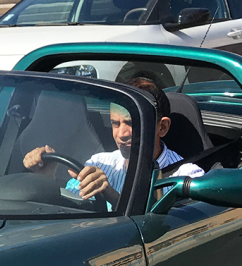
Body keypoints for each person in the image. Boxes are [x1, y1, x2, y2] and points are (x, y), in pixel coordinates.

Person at [23, 77, 204, 202]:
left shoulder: (186, 177)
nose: (122, 134)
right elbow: (70, 207)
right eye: (115, 123)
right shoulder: (100, 163)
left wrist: (108, 192)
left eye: (131, 123)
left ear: (162, 127)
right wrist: (46, 178)